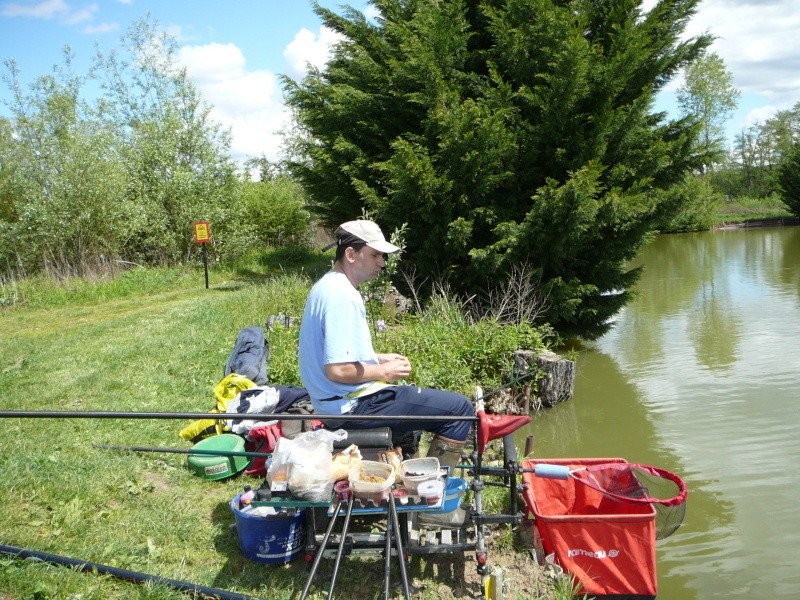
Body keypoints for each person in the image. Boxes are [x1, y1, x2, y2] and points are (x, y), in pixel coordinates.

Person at [298, 219, 475, 527]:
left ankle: (406, 478)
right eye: (376, 254)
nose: (382, 262)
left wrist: (377, 358)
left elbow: (339, 353)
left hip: (340, 400)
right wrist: (383, 370)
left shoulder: (330, 285)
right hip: (351, 405)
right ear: (351, 255)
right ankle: (433, 510)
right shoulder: (342, 297)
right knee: (460, 409)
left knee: (420, 405)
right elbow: (337, 368)